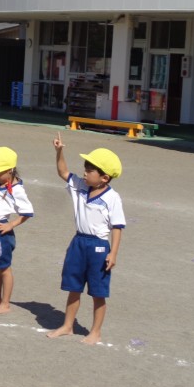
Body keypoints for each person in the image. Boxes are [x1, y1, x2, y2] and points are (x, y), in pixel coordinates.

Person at [47, 133, 125, 345]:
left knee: (98, 292)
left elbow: (117, 227)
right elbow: (63, 172)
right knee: (73, 287)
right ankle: (67, 325)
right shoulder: (80, 186)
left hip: (98, 247)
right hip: (78, 243)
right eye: (85, 168)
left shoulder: (112, 198)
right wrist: (59, 151)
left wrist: (113, 253)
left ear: (104, 178)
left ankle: (95, 332)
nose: (84, 173)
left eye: (90, 170)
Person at [0, 118, 34, 314]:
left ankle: (5, 303)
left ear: (10, 171)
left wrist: (11, 225)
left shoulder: (16, 189)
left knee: (4, 268)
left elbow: (27, 212)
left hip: (0, 229)